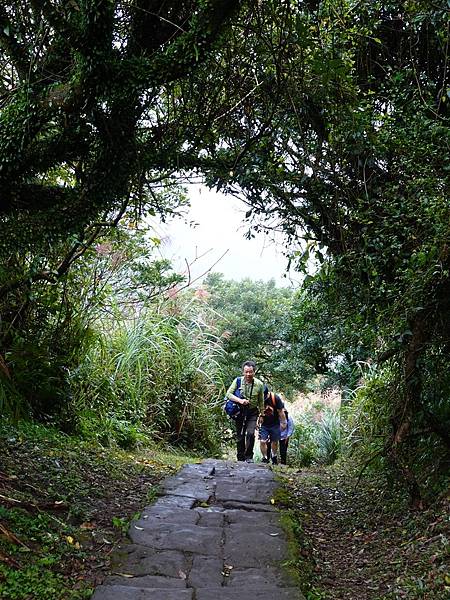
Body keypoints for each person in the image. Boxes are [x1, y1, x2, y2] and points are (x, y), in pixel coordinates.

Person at [226, 360, 264, 462]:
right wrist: (240, 401)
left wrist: (262, 415)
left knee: (251, 433)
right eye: (246, 372)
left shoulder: (259, 384)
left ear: (254, 372)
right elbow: (228, 394)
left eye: (250, 372)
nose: (248, 374)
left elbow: (261, 401)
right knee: (240, 436)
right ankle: (240, 458)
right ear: (243, 372)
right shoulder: (237, 381)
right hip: (240, 412)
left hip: (252, 412)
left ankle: (248, 457)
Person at [259, 387, 287, 465]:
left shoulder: (275, 398)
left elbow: (281, 411)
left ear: (267, 394)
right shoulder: (258, 398)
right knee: (262, 441)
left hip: (275, 424)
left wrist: (283, 422)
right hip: (264, 424)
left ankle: (274, 456)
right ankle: (265, 458)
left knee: (274, 442)